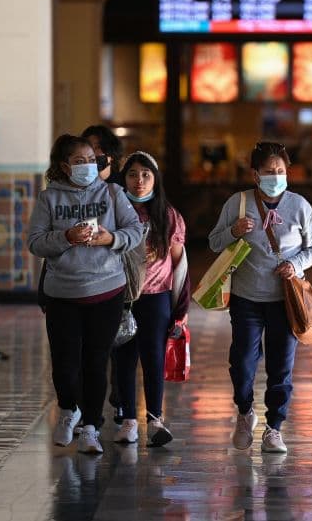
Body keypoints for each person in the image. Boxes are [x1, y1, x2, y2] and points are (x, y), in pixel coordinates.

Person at [27, 134, 144, 455]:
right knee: (65, 363)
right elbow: (35, 242)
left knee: (95, 362)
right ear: (64, 166)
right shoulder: (49, 199)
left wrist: (110, 238)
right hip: (62, 293)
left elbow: (134, 231)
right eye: (80, 162)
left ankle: (90, 427)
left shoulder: (112, 192)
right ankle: (68, 410)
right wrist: (66, 236)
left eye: (92, 160)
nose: (88, 166)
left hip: (106, 290)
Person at [208, 141, 312, 454]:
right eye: (269, 171)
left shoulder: (299, 206)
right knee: (242, 362)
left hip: (285, 300)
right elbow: (214, 242)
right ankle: (245, 412)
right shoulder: (238, 203)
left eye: (281, 171)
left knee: (280, 365)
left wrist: (295, 264)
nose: (276, 176)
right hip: (246, 297)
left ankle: (274, 427)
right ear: (255, 174)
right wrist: (233, 231)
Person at [113, 151, 190, 448]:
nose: (139, 180)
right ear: (124, 178)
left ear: (156, 178)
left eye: (146, 174)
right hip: (119, 296)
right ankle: (129, 420)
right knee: (123, 358)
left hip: (156, 298)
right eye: (132, 174)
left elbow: (179, 263)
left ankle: (155, 420)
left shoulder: (168, 215)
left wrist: (179, 309)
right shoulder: (114, 211)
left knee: (153, 359)